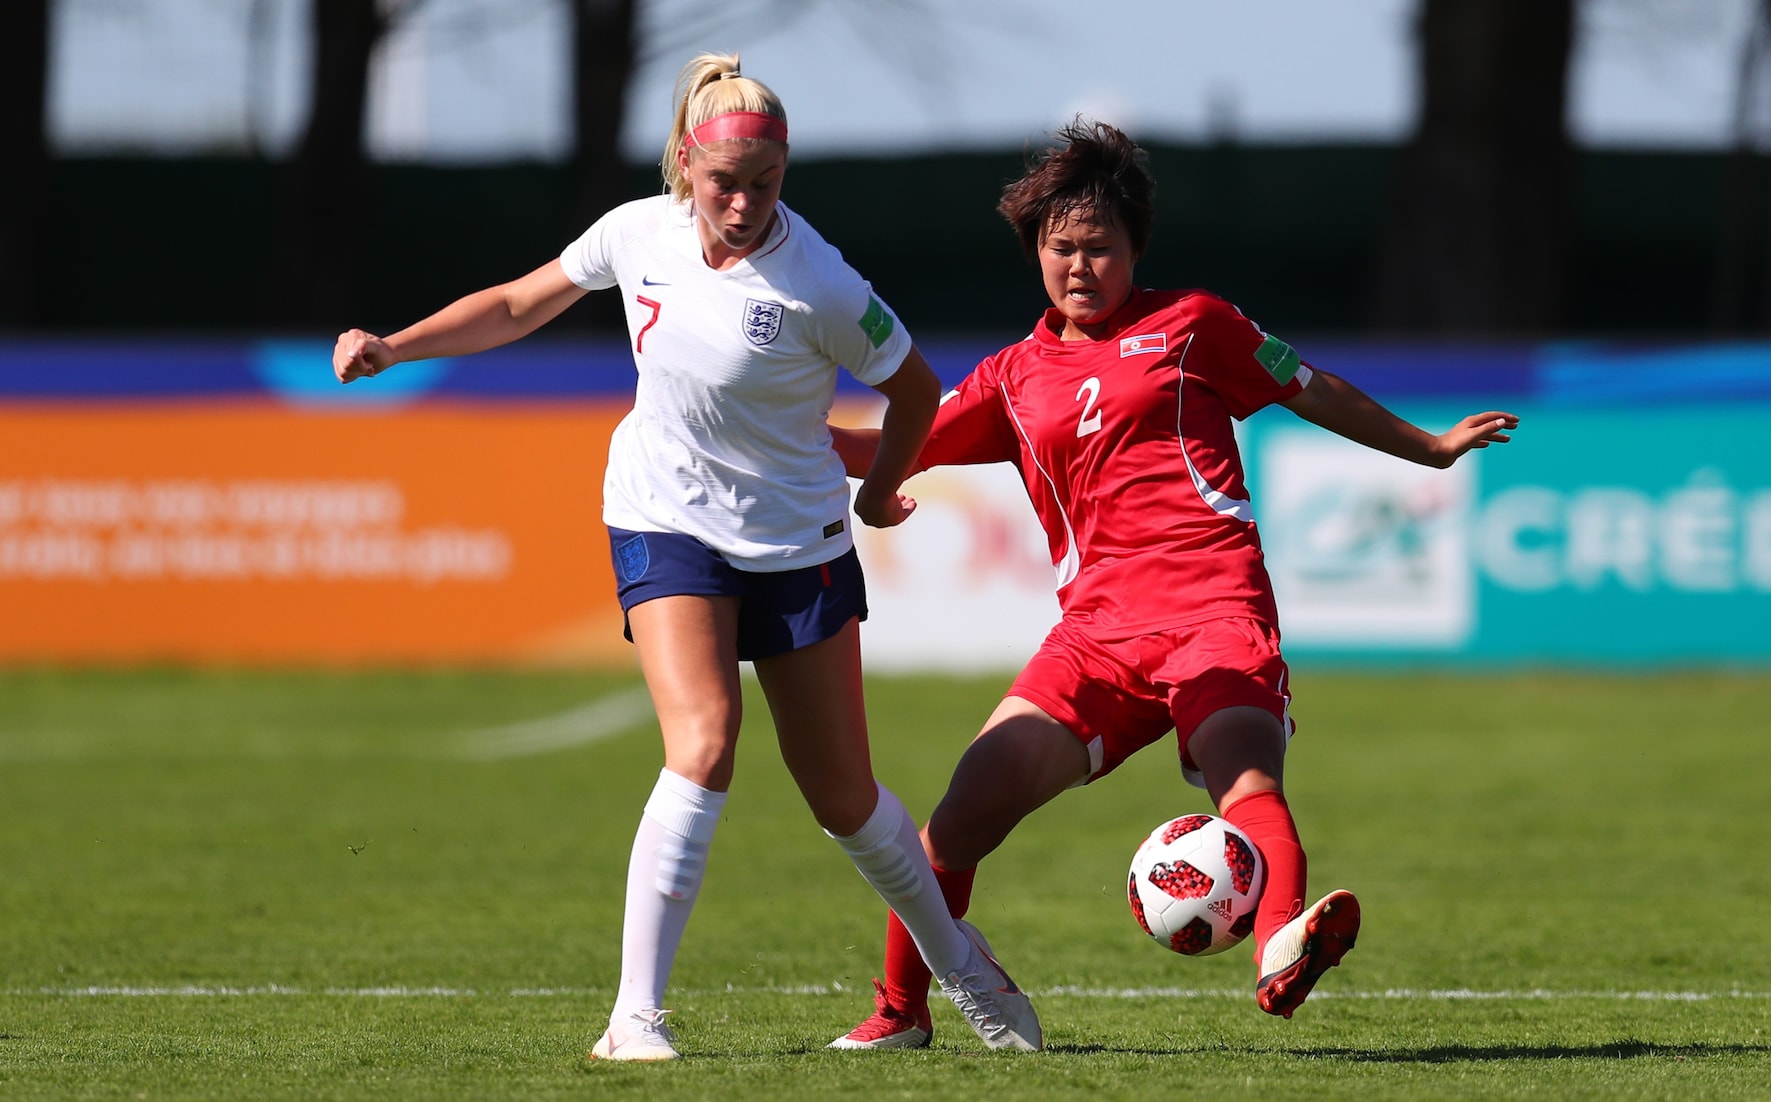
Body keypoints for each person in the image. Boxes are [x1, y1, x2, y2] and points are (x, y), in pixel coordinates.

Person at [329, 52, 1040, 1059]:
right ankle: (635, 1017)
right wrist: (394, 345)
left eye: (764, 183)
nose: (744, 204)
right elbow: (521, 303)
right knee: (703, 742)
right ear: (682, 163)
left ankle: (960, 968)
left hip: (798, 540)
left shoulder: (820, 281)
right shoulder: (635, 232)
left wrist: (877, 492)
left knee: (844, 799)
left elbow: (916, 392)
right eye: (723, 184)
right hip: (664, 519)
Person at [825, 120, 1519, 1048]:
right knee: (960, 813)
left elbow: (1309, 386)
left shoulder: (1196, 325)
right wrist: (774, 429)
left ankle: (1281, 949)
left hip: (1214, 611)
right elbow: (887, 449)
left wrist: (1427, 447)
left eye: (1100, 247)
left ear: (1134, 249)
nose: (1079, 265)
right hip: (1096, 637)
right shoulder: (1010, 379)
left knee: (1244, 776)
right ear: (1035, 251)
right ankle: (900, 1013)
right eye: (1060, 246)